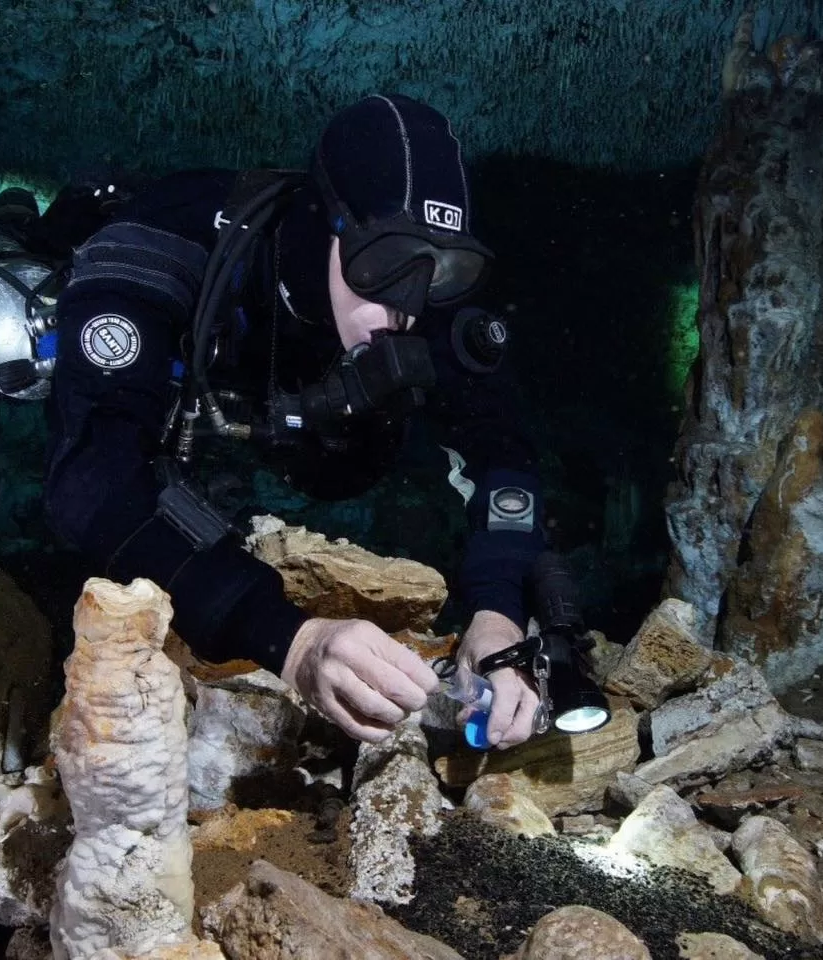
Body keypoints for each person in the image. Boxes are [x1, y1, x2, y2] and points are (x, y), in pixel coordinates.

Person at [38, 94, 548, 748]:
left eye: (443, 268)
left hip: (311, 435)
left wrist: (499, 612)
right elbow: (91, 483)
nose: (405, 308)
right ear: (326, 223)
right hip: (174, 377)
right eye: (382, 263)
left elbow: (503, 456)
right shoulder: (173, 239)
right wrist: (292, 639)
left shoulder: (426, 299)